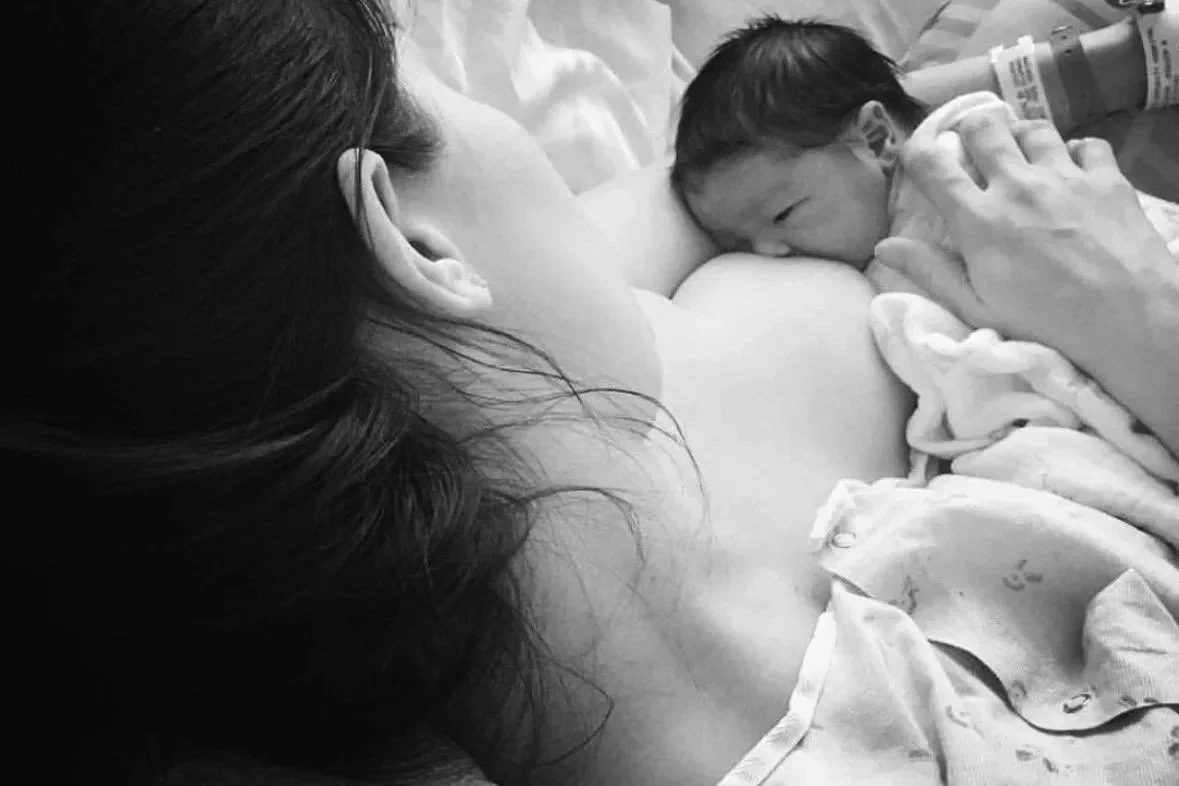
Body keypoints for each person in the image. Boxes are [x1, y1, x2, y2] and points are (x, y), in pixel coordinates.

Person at [8, 2, 1177, 786]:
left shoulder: (477, 412)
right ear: (412, 241)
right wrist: (1136, 322)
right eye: (450, 98)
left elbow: (768, 146)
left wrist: (1100, 70)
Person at [670, 16, 1178, 268]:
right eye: (734, 245)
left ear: (876, 138)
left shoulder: (952, 181)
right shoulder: (799, 184)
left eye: (782, 215)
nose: (767, 254)